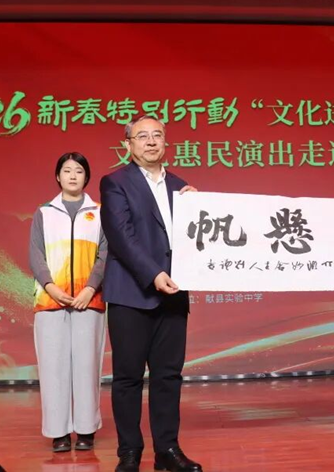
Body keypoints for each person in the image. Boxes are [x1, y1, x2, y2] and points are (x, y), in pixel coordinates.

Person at [100, 116, 202, 472]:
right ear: (128, 144)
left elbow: (196, 237)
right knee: (128, 377)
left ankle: (167, 450)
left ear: (166, 142)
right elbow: (121, 237)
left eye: (157, 135)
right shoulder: (115, 183)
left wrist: (200, 209)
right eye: (142, 136)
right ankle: (129, 452)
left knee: (168, 376)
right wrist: (153, 274)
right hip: (131, 293)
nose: (151, 141)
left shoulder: (182, 188)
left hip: (173, 294)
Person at [30, 152, 107, 453]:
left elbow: (105, 254)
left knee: (88, 366)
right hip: (50, 301)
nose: (73, 175)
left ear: (87, 177)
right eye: (66, 170)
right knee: (53, 367)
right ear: (57, 176)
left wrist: (90, 288)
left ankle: (86, 429)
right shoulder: (44, 213)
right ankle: (58, 432)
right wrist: (51, 287)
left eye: (78, 171)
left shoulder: (99, 212)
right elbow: (36, 255)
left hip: (90, 300)